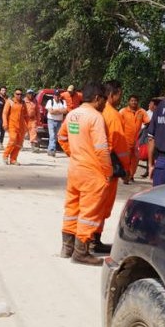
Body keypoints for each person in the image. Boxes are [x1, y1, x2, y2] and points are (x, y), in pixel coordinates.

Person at [57, 83, 112, 266]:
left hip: (75, 170)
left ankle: (67, 247)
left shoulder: (73, 114)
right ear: (97, 98)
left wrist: (72, 154)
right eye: (104, 99)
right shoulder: (95, 117)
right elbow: (102, 149)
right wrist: (108, 172)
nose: (105, 103)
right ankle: (81, 253)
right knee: (89, 213)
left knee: (72, 209)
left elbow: (62, 137)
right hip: (92, 173)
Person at [95, 80, 130, 253]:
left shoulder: (96, 112)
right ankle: (95, 240)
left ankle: (87, 239)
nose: (120, 99)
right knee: (103, 205)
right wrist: (126, 169)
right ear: (112, 95)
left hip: (94, 163)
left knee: (93, 204)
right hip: (109, 165)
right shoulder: (113, 115)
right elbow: (121, 147)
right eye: (119, 95)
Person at [119, 94, 149, 182]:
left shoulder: (142, 111)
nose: (134, 102)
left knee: (135, 160)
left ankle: (131, 175)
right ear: (128, 101)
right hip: (125, 140)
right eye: (132, 100)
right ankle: (126, 175)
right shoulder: (123, 111)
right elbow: (118, 123)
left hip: (137, 141)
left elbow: (147, 122)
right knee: (126, 159)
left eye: (135, 101)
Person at [2, 88, 28, 165]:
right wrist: (5, 123)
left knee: (19, 144)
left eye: (20, 94)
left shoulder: (23, 103)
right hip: (12, 125)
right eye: (17, 94)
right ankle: (5, 156)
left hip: (21, 127)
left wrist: (27, 126)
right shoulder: (10, 101)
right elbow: (4, 113)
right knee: (12, 141)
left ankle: (13, 159)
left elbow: (26, 115)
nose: (19, 95)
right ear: (14, 94)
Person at [45, 89, 67, 157]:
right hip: (51, 120)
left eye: (58, 95)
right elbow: (51, 112)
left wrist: (55, 110)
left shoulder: (63, 102)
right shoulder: (50, 101)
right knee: (52, 136)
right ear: (53, 96)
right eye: (55, 95)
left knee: (57, 136)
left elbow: (65, 111)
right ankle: (52, 150)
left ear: (59, 96)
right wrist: (60, 111)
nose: (56, 97)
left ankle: (49, 150)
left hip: (59, 121)